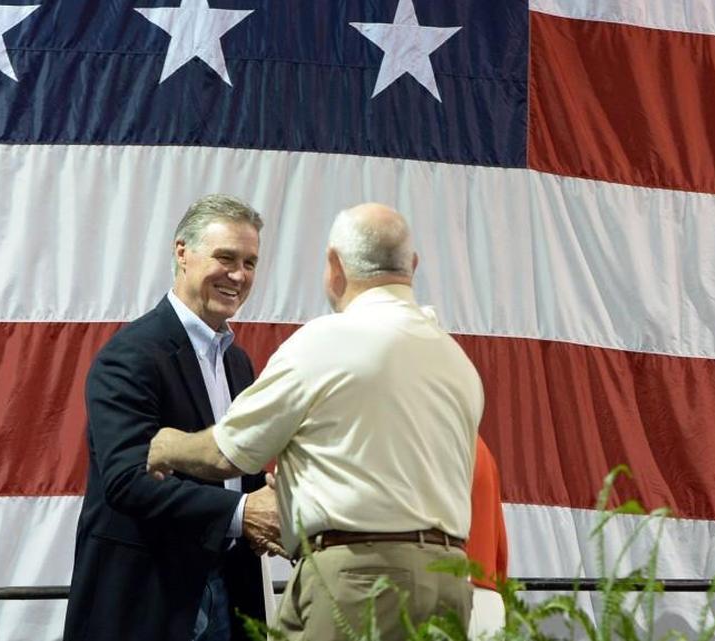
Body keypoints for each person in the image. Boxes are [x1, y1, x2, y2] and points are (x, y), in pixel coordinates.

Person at [147, 202, 485, 640]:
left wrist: (164, 445)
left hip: (361, 580)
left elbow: (225, 453)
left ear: (334, 266)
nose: (239, 272)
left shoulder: (326, 342)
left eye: (247, 262)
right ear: (412, 266)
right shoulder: (454, 358)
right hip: (449, 578)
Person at [63, 194, 275, 641]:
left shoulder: (238, 363)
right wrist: (242, 512)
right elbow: (128, 480)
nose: (238, 275)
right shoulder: (130, 355)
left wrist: (272, 499)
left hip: (229, 589)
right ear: (183, 252)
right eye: (226, 258)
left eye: (250, 263)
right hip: (150, 600)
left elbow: (239, 468)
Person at [465, 437, 508, 639]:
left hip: (454, 591)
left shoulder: (442, 439)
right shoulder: (483, 451)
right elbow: (500, 545)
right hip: (489, 599)